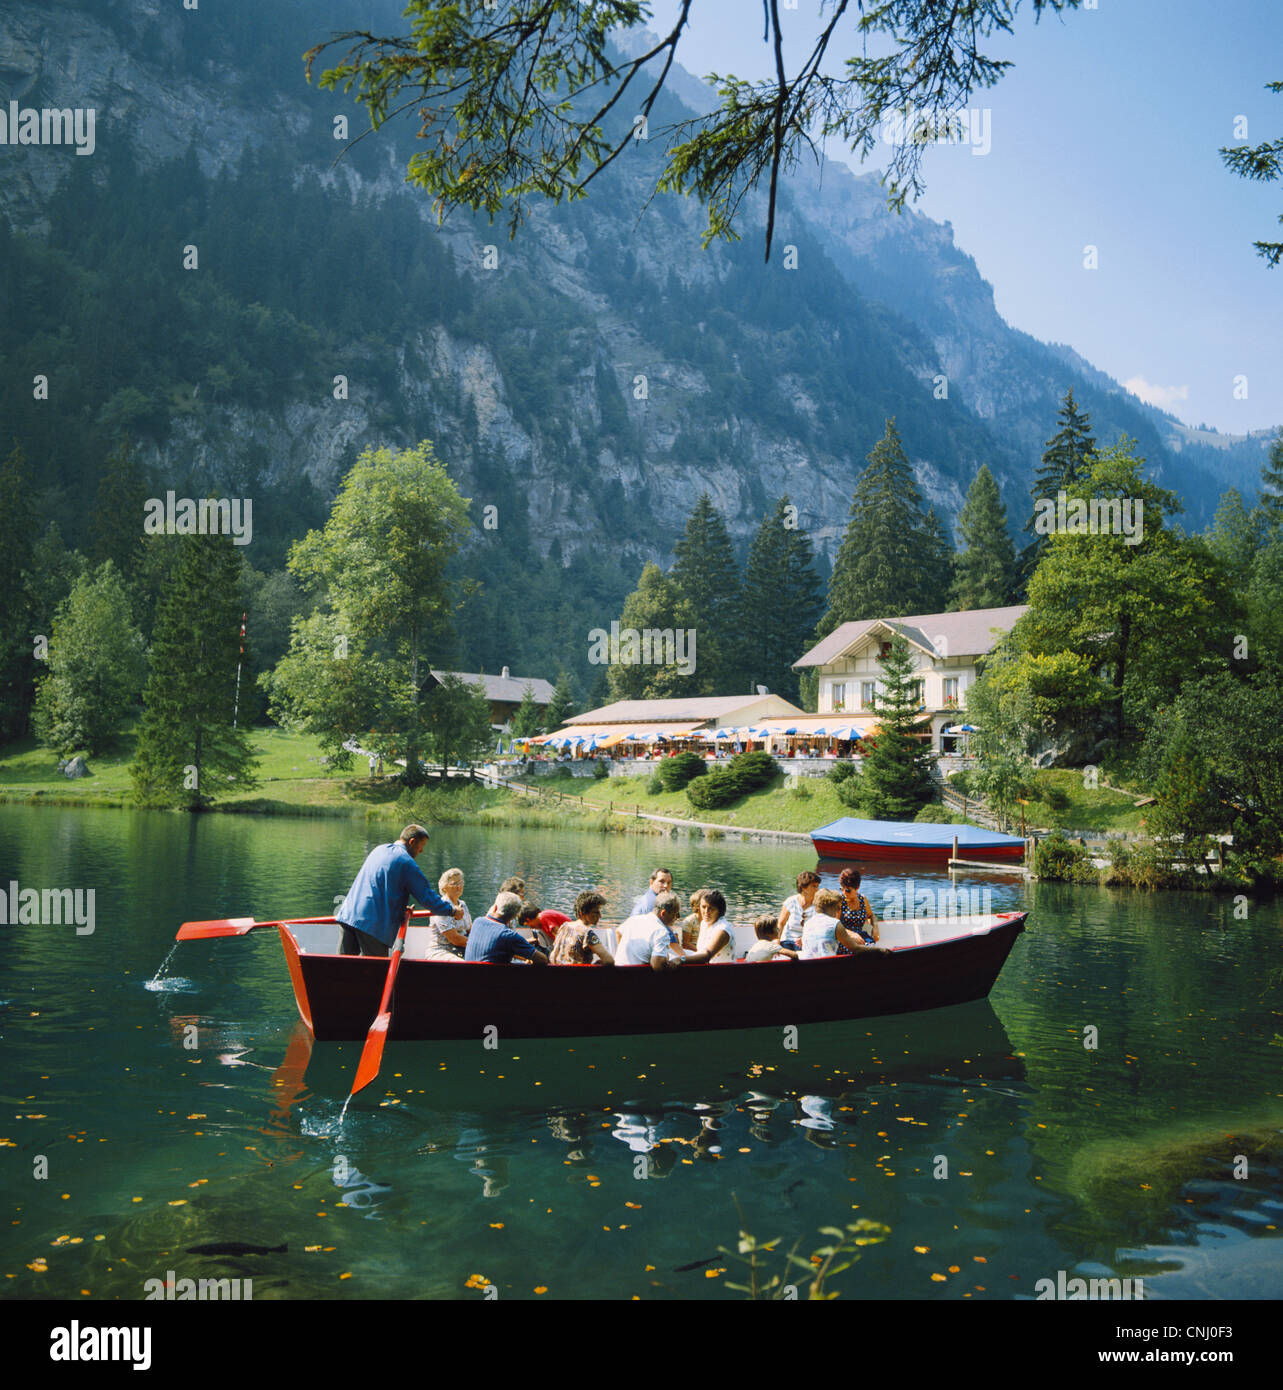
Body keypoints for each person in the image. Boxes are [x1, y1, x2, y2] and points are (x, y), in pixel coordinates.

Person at [336, 824, 463, 957]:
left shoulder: (379, 850)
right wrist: (452, 910)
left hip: (348, 915)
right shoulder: (406, 862)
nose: (421, 851)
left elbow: (378, 886)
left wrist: (399, 907)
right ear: (412, 842)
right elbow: (427, 897)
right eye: (422, 845)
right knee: (375, 972)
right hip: (372, 925)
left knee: (343, 968)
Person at [407, 867, 472, 962]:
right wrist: (476, 944)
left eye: (460, 883)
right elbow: (454, 939)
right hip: (441, 951)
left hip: (461, 949)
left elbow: (470, 930)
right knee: (462, 964)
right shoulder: (442, 907)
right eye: (454, 884)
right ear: (444, 888)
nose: (459, 886)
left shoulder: (463, 905)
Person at [464, 892, 548, 965]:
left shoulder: (477, 922)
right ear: (514, 916)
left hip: (470, 978)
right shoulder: (508, 935)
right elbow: (542, 960)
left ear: (496, 908)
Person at [614, 891, 685, 970]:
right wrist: (681, 960)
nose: (678, 917)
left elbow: (618, 932)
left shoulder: (633, 919)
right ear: (663, 913)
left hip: (617, 971)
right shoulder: (661, 931)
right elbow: (658, 967)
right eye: (675, 914)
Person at [800, 888, 871, 959]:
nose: (838, 910)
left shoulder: (808, 923)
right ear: (831, 907)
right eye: (837, 906)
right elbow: (855, 948)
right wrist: (879, 950)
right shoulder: (834, 923)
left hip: (808, 965)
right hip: (826, 966)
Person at [549, 891, 615, 966]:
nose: (600, 916)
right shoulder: (587, 933)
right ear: (582, 913)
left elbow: (553, 955)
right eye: (596, 912)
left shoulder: (564, 926)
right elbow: (609, 961)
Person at [684, 887, 735, 964]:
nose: (706, 912)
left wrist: (681, 959)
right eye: (703, 907)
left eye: (711, 908)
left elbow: (706, 956)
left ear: (720, 910)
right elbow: (700, 952)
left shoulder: (722, 929)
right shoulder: (704, 923)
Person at [836, 867, 879, 952]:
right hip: (845, 938)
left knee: (873, 949)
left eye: (848, 890)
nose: (844, 892)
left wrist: (875, 928)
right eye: (842, 888)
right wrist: (852, 934)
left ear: (857, 887)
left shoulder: (863, 899)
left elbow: (871, 915)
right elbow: (835, 924)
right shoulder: (839, 901)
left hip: (862, 937)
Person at [776, 870, 820, 952]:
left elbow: (819, 928)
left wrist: (804, 939)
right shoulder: (791, 901)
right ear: (804, 888)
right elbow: (781, 924)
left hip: (807, 941)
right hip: (787, 940)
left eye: (817, 886)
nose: (817, 889)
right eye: (814, 886)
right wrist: (777, 941)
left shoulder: (819, 905)